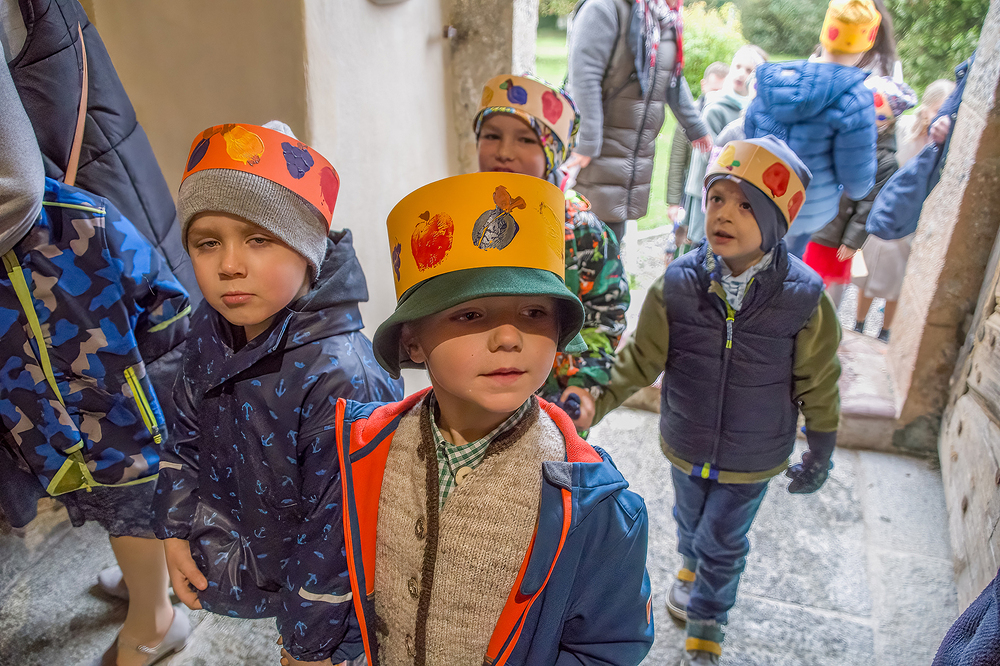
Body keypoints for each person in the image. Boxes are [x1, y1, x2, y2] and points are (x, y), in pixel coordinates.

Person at [325, 171, 653, 665]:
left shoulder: (596, 511)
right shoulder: (361, 454)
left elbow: (607, 647)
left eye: (534, 313)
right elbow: (347, 582)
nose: (508, 338)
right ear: (412, 341)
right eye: (471, 314)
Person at [573, 138, 842, 666]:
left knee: (723, 539)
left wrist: (822, 447)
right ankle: (691, 562)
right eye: (717, 198)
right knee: (690, 517)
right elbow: (641, 359)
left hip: (754, 454)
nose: (724, 214)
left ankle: (706, 619)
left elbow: (820, 381)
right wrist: (593, 403)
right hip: (686, 437)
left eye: (746, 205)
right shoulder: (678, 284)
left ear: (775, 222)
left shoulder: (805, 298)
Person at [153, 122, 403, 665]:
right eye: (207, 242)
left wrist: (309, 647)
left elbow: (339, 537)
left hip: (326, 609)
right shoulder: (212, 326)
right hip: (254, 557)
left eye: (259, 239)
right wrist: (174, 527)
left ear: (307, 249)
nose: (229, 265)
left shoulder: (345, 378)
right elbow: (185, 431)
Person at [0, 59, 193, 666]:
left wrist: (155, 351)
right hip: (36, 407)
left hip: (108, 395)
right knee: (93, 495)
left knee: (129, 496)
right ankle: (147, 582)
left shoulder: (82, 220)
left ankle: (158, 617)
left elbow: (161, 294)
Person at [473, 73, 628, 426]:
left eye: (526, 139)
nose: (504, 152)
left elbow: (604, 313)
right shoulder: (463, 219)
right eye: (491, 136)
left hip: (554, 407)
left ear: (552, 153)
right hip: (477, 399)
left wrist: (582, 384)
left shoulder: (583, 233)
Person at [565, 0, 710, 243]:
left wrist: (696, 127)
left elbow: (672, 77)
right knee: (581, 233)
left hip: (632, 156)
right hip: (595, 150)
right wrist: (586, 142)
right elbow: (584, 76)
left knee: (611, 237)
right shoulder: (604, 7)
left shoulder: (664, 17)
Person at [745, 0, 880, 258]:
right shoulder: (855, 99)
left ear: (826, 34)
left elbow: (749, 137)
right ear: (865, 45)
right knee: (782, 274)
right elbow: (857, 183)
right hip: (802, 214)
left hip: (755, 203)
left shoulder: (774, 80)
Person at [855, 78, 956, 341]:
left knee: (896, 282)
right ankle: (858, 323)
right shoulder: (903, 129)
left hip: (912, 220)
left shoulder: (948, 144)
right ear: (926, 107)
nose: (941, 117)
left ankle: (885, 330)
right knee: (867, 274)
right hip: (884, 210)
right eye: (937, 110)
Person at [804, 75, 915, 309]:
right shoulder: (841, 134)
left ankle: (822, 325)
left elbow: (870, 202)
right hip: (813, 217)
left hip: (836, 232)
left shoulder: (885, 160)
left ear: (888, 121)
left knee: (826, 286)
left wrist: (852, 240)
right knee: (800, 271)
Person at [677, 45, 768, 251]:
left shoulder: (754, 111)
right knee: (704, 245)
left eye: (749, 70)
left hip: (737, 194)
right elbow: (709, 155)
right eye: (738, 67)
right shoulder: (715, 108)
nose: (741, 73)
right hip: (707, 191)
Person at [666, 60, 729, 229]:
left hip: (716, 192)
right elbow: (677, 161)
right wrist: (673, 203)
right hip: (689, 192)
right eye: (714, 90)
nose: (716, 96)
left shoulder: (727, 115)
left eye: (721, 91)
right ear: (703, 85)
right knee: (683, 234)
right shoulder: (689, 118)